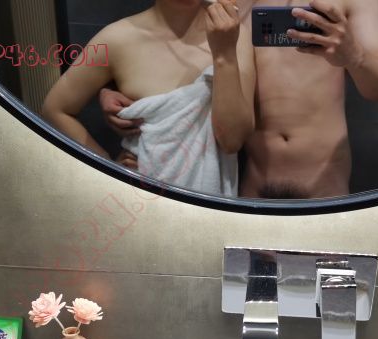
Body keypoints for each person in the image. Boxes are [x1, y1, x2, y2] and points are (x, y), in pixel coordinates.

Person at [101, 0, 378, 198]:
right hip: (251, 188)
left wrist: (354, 55)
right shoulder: (231, 1)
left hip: (325, 187)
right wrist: (114, 87)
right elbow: (167, 45)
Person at [42, 0, 255, 196]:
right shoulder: (116, 39)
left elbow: (232, 140)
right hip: (139, 205)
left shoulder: (233, 37)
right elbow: (55, 109)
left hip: (209, 209)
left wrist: (224, 55)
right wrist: (107, 166)